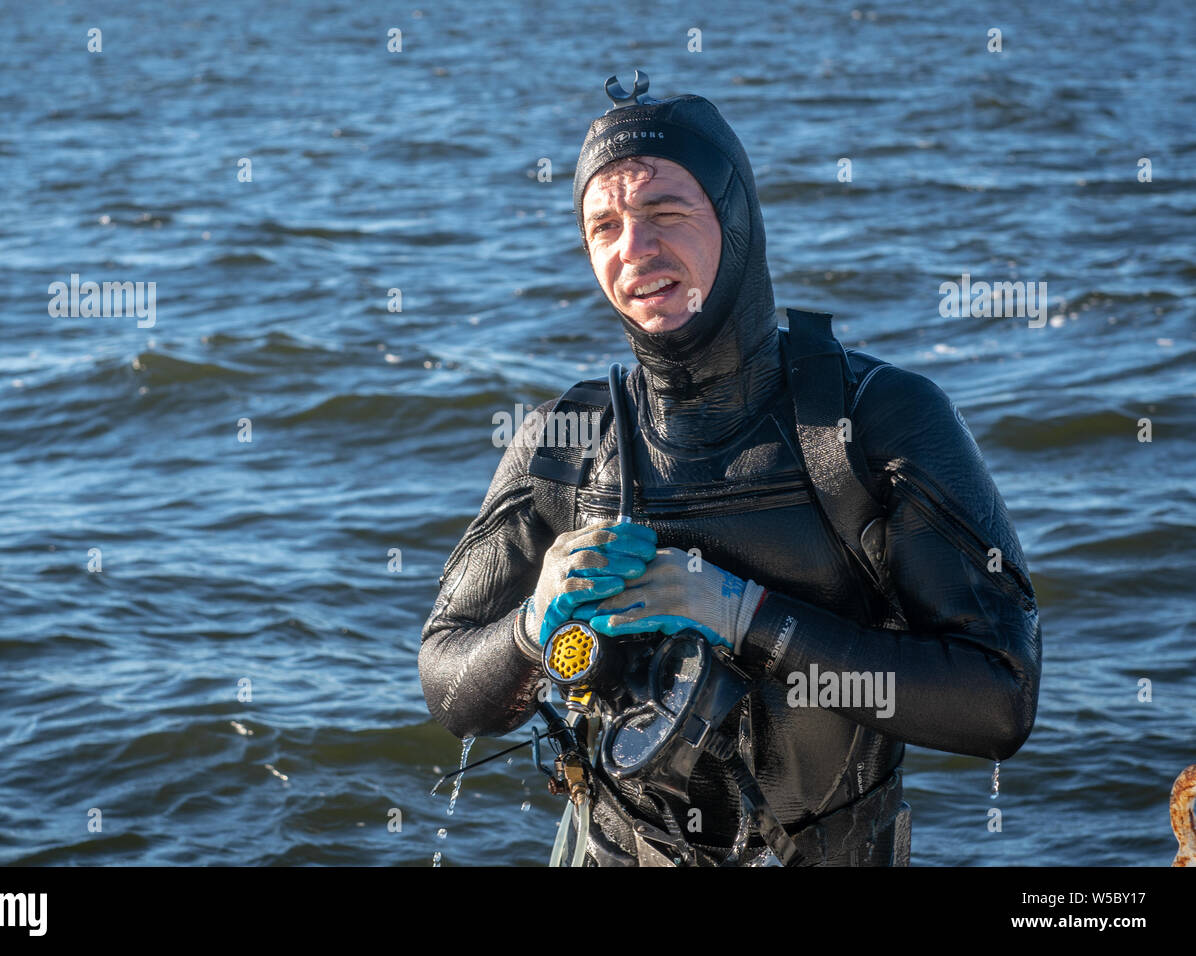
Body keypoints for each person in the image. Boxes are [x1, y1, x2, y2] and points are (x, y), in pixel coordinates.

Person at [418, 73, 1041, 866]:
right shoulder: (571, 442)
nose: (634, 251)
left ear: (736, 221)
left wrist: (748, 617)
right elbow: (448, 684)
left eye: (665, 214)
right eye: (603, 226)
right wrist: (531, 628)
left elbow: (999, 701)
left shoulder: (872, 424)